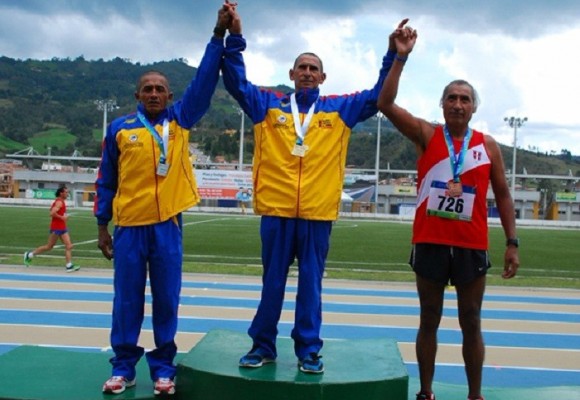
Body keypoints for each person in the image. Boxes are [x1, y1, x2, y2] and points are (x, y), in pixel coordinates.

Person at [221, 3, 408, 374]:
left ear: (323, 77)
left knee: (311, 287)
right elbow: (235, 83)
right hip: (276, 212)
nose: (307, 73)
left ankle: (308, 349)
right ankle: (263, 346)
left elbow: (377, 96)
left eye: (313, 69)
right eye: (301, 67)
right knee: (271, 284)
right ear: (291, 74)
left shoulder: (340, 109)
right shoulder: (267, 105)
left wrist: (394, 56)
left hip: (317, 214)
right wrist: (234, 36)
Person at [377, 23, 520, 400]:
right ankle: (426, 393)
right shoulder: (427, 134)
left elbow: (503, 195)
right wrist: (399, 58)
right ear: (442, 105)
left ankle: (475, 395)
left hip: (472, 246)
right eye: (452, 98)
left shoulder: (487, 146)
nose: (458, 104)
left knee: (471, 321)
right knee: (429, 320)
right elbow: (385, 104)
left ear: (474, 107)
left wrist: (512, 242)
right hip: (430, 242)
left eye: (465, 99)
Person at [94, 6, 230, 397]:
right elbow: (107, 180)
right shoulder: (120, 129)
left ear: (170, 96)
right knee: (127, 302)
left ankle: (163, 368)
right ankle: (123, 368)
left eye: (160, 89)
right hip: (129, 229)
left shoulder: (181, 121)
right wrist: (102, 226)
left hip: (168, 225)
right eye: (147, 89)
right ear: (137, 95)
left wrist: (217, 35)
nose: (154, 93)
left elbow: (204, 82)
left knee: (167, 300)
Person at [23, 185, 80, 273]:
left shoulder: (62, 201)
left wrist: (63, 218)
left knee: (69, 246)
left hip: (62, 227)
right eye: (66, 192)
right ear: (61, 193)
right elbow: (52, 213)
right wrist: (62, 218)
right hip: (56, 227)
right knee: (49, 246)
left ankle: (69, 266)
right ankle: (29, 255)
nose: (67, 194)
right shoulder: (59, 202)